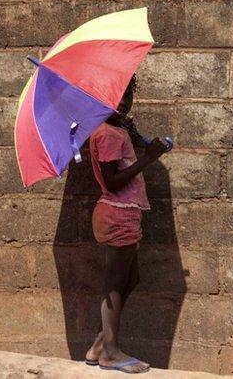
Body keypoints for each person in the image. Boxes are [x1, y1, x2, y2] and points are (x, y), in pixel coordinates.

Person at [84, 75, 168, 374]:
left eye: (128, 96)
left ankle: (99, 344)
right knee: (115, 284)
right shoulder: (106, 133)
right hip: (117, 213)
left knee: (129, 280)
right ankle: (110, 352)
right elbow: (112, 181)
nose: (123, 102)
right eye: (115, 96)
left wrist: (136, 136)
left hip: (125, 214)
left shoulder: (116, 130)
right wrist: (148, 159)